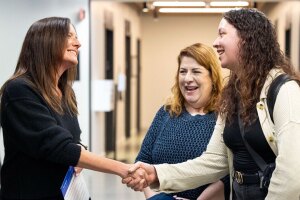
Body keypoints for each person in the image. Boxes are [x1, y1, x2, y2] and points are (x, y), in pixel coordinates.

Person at [124, 8, 300, 200]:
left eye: (222, 34)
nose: (215, 42)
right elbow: (214, 161)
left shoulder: (285, 91)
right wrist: (157, 173)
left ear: (247, 38)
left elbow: (292, 172)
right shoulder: (233, 93)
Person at [0, 17, 131, 200]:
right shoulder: (19, 90)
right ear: (46, 41)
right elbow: (57, 146)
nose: (78, 43)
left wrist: (79, 148)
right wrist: (124, 168)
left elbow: (72, 140)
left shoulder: (65, 92)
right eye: (69, 36)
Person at [135, 43, 229, 200]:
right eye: (183, 71)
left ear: (212, 77)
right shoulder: (166, 112)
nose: (187, 79)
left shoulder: (224, 116)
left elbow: (226, 173)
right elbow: (143, 161)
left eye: (196, 71)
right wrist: (156, 199)